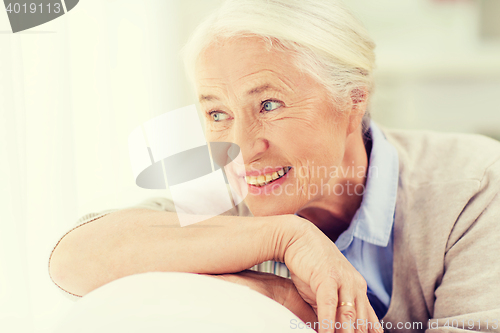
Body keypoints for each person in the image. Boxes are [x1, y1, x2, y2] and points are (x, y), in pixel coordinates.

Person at [49, 0, 500, 332]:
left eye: (269, 104)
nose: (241, 149)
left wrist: (301, 312)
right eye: (217, 113)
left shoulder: (474, 183)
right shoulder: (223, 194)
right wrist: (283, 238)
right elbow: (73, 259)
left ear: (352, 101)